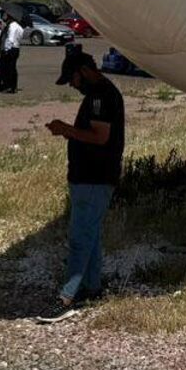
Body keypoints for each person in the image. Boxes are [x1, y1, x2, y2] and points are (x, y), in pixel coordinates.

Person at [46, 45, 124, 312]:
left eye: (73, 79)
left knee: (81, 237)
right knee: (91, 235)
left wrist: (65, 129)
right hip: (89, 176)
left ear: (84, 72)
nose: (72, 85)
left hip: (94, 177)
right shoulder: (98, 94)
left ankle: (69, 293)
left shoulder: (101, 96)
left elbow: (100, 137)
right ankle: (91, 287)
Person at [0, 11, 24, 92]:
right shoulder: (19, 26)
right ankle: (13, 86)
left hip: (11, 49)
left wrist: (6, 49)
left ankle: (10, 86)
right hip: (16, 48)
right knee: (12, 68)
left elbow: (10, 39)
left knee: (9, 68)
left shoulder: (12, 26)